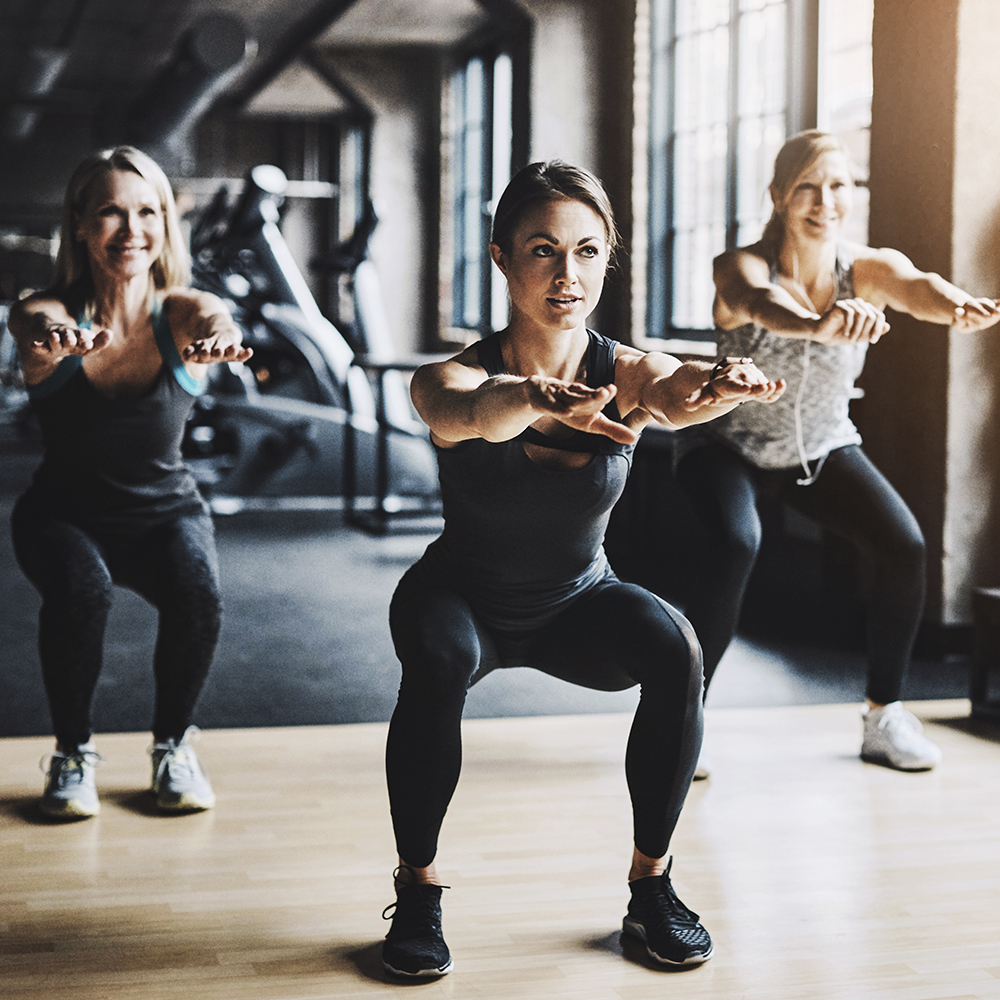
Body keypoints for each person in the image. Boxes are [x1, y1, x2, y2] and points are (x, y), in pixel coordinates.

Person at [379, 160, 784, 977]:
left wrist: (717, 385)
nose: (568, 274)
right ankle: (418, 894)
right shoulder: (449, 376)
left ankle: (651, 889)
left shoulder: (622, 368)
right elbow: (470, 413)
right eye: (543, 250)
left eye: (588, 252)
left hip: (576, 599)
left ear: (607, 260)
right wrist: (533, 399)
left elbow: (671, 389)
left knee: (677, 646)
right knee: (437, 656)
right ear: (501, 259)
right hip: (463, 595)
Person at [674, 129, 1000, 776]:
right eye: (808, 187)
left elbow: (917, 284)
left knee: (904, 546)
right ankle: (685, 718)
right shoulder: (741, 264)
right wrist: (814, 322)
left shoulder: (864, 268)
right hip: (726, 445)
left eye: (840, 185)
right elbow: (755, 304)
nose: (826, 201)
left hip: (816, 448)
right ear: (777, 195)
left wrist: (956, 306)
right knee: (737, 544)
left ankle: (884, 717)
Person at [7, 146, 252, 820]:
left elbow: (212, 317)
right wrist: (56, 334)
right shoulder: (45, 312)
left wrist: (220, 339)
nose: (130, 229)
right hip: (63, 516)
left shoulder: (183, 313)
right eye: (111, 212)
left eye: (147, 212)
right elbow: (31, 318)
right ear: (81, 226)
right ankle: (71, 755)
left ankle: (173, 748)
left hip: (164, 512)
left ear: (166, 225)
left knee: (199, 592)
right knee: (82, 591)